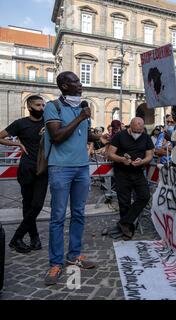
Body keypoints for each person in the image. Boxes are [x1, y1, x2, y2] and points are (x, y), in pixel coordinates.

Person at [43, 71, 101, 285]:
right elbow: (57, 136)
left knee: (78, 214)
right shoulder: (53, 107)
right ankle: (55, 263)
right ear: (64, 86)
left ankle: (74, 255)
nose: (80, 84)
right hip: (60, 168)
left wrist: (96, 137)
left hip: (81, 168)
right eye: (75, 81)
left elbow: (81, 134)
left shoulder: (81, 108)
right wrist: (81, 117)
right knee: (58, 216)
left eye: (79, 80)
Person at [0, 95, 47, 253]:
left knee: (37, 205)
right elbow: (0, 137)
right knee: (28, 205)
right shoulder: (20, 123)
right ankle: (34, 238)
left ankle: (16, 238)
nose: (42, 108)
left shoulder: (48, 122)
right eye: (38, 105)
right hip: (27, 168)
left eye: (43, 105)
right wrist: (18, 143)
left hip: (43, 168)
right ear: (29, 107)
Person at [107, 117, 154, 240]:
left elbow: (149, 156)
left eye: (140, 131)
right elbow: (110, 153)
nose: (138, 133)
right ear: (130, 127)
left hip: (138, 172)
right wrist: (122, 159)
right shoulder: (120, 136)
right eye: (135, 130)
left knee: (144, 196)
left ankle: (123, 223)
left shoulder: (146, 137)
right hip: (122, 172)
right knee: (124, 202)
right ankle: (127, 230)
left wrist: (142, 161)